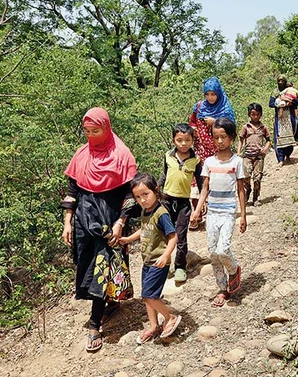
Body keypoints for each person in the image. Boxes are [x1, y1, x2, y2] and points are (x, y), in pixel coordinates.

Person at [61, 107, 139, 353]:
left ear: (107, 128)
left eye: (96, 130)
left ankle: (94, 324)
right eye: (87, 131)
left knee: (103, 265)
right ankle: (111, 302)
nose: (91, 135)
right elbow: (73, 190)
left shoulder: (121, 154)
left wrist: (121, 222)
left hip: (110, 218)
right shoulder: (82, 154)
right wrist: (67, 220)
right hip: (84, 218)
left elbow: (130, 194)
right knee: (87, 262)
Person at [190, 117, 247, 307]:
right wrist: (197, 211)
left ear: (231, 137)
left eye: (223, 137)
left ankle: (234, 269)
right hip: (212, 213)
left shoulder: (237, 162)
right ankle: (222, 289)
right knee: (213, 254)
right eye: (216, 137)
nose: (220, 141)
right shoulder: (208, 162)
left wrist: (243, 216)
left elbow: (240, 189)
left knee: (223, 249)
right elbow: (204, 188)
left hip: (228, 212)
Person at [118, 174, 182, 344]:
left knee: (148, 295)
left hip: (158, 261)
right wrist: (129, 238)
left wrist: (166, 255)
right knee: (148, 294)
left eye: (145, 194)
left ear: (155, 190)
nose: (142, 200)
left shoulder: (161, 213)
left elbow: (173, 236)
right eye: (138, 197)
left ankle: (170, 317)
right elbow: (144, 229)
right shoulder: (145, 211)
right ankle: (154, 326)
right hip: (147, 261)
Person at [157, 123, 203, 283]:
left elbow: (200, 182)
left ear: (192, 140)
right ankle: (162, 263)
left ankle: (180, 267)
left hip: (183, 202)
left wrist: (202, 203)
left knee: (181, 235)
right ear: (173, 140)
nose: (183, 143)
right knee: (163, 233)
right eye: (179, 140)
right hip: (166, 200)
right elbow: (164, 174)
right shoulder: (168, 156)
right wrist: (156, 188)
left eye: (187, 140)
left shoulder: (196, 160)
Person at [189, 76, 236, 160]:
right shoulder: (199, 106)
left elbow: (231, 127)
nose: (209, 97)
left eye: (213, 94)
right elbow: (192, 121)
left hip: (219, 148)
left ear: (218, 93)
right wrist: (193, 128)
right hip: (200, 150)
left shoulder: (225, 108)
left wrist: (215, 121)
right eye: (207, 94)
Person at [237, 103, 271, 206]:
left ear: (261, 114)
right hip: (247, 156)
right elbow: (241, 140)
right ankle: (248, 189)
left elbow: (269, 140)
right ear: (249, 114)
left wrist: (265, 149)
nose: (255, 116)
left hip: (259, 157)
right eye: (253, 114)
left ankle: (256, 198)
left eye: (257, 114)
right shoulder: (246, 127)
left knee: (257, 178)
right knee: (246, 176)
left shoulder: (263, 127)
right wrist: (238, 153)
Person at [269, 75, 298, 166]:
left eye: (282, 81)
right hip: (279, 118)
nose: (280, 82)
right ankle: (280, 159)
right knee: (278, 138)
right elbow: (270, 104)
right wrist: (278, 104)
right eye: (279, 81)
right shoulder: (275, 92)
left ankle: (288, 156)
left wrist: (289, 103)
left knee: (289, 137)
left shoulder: (290, 91)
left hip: (289, 117)